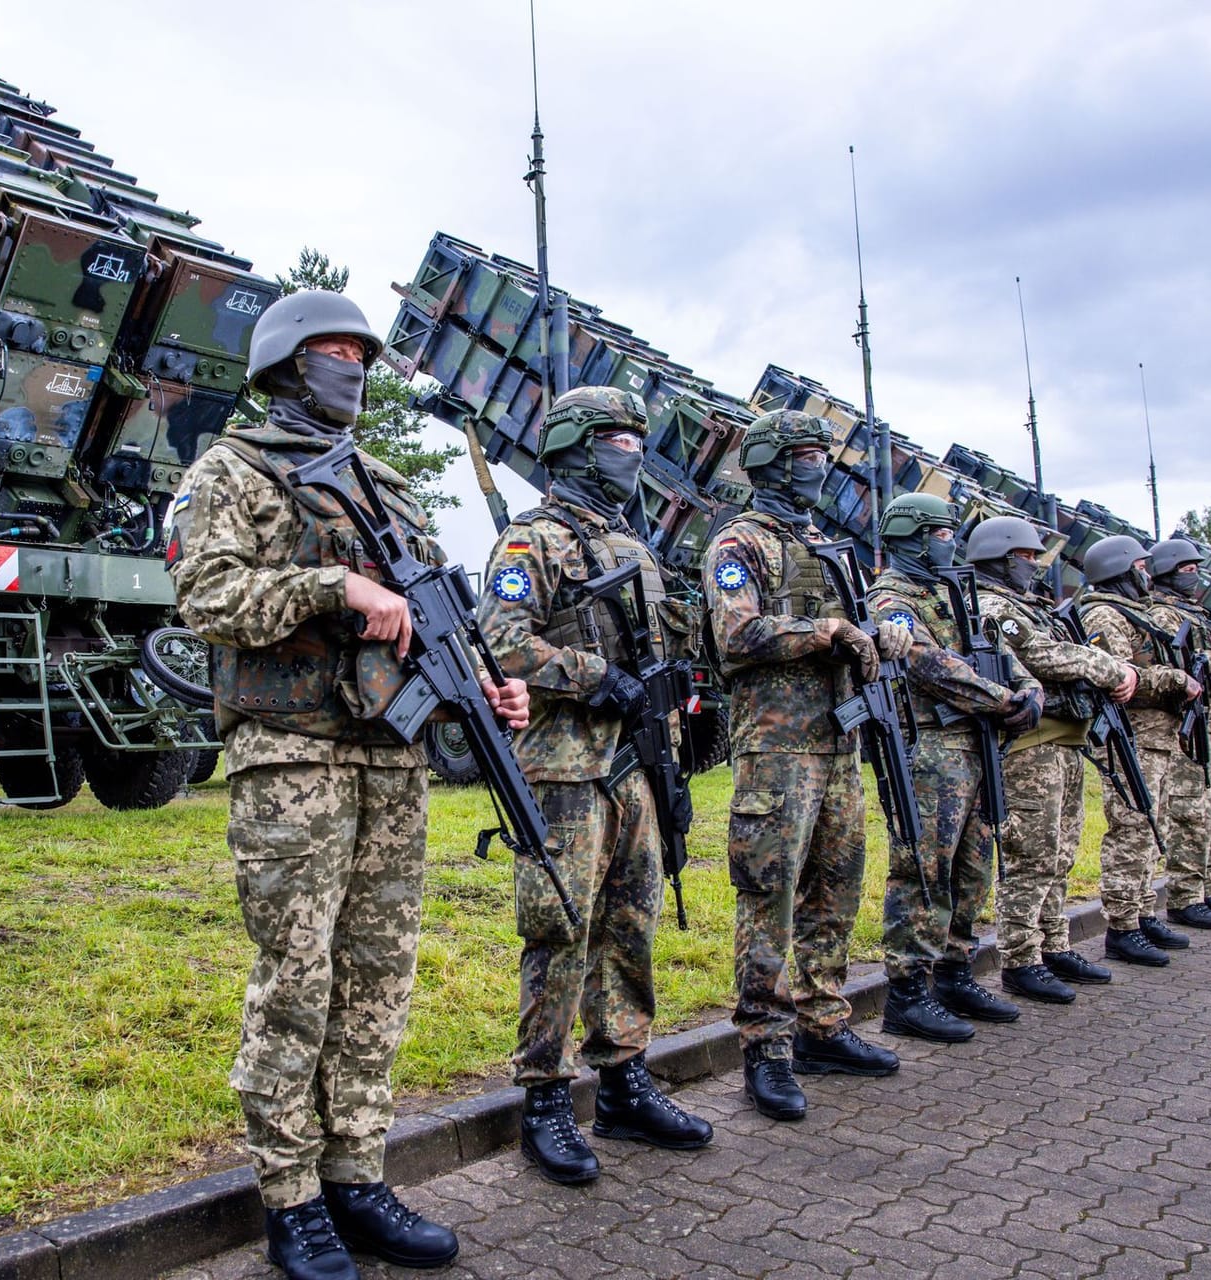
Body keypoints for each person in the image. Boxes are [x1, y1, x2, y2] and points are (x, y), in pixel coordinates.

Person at [170, 289, 528, 1280]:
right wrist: (334, 587)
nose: (354, 367)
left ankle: (357, 1173)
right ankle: (289, 1196)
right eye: (335, 349)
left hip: (389, 758)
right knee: (297, 975)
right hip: (292, 755)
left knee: (378, 971)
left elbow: (433, 607)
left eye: (363, 353)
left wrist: (489, 687)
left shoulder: (384, 481)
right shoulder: (230, 471)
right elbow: (207, 595)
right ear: (288, 363)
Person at [477, 385, 714, 1185]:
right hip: (565, 768)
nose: (632, 452)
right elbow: (503, 644)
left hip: (634, 764)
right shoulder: (530, 542)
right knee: (559, 928)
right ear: (577, 446)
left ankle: (622, 1078)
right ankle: (544, 1096)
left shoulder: (635, 547)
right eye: (616, 437)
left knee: (631, 921)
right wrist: (591, 675)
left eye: (635, 439)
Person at [704, 409, 904, 1122]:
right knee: (771, 894)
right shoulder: (741, 540)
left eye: (822, 454)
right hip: (778, 750)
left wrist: (886, 636)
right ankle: (766, 1045)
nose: (817, 466)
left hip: (841, 743)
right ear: (770, 460)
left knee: (835, 889)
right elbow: (737, 631)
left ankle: (824, 1024)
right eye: (805, 454)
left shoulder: (830, 546)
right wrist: (825, 631)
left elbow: (863, 626)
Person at [868, 494, 1041, 1043]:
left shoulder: (954, 594)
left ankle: (955, 970)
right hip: (931, 751)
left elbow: (1000, 656)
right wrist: (1005, 701)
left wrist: (1029, 690)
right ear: (914, 537)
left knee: (972, 866)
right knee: (924, 871)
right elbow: (929, 667)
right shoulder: (890, 599)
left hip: (976, 744)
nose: (951, 542)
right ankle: (908, 991)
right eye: (942, 533)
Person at [965, 516, 1137, 1004]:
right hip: (1029, 748)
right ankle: (1021, 957)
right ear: (999, 558)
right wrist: (1109, 667)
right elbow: (1039, 655)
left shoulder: (1032, 605)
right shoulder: (995, 606)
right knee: (1032, 854)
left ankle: (1053, 943)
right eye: (1025, 557)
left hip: (1063, 742)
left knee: (1061, 852)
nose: (1034, 566)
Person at [1075, 536, 1201, 965]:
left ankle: (1143, 911)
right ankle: (1122, 925)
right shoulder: (1105, 615)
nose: (1148, 574)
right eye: (1142, 567)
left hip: (1156, 737)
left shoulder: (1135, 613)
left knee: (1152, 826)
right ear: (1121, 571)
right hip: (1131, 736)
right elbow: (1122, 679)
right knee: (1131, 830)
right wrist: (1175, 680)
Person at [1148, 539, 1211, 927]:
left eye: (1195, 568)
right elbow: (1188, 662)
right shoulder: (1164, 615)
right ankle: (1184, 895)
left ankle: (1205, 885)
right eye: (1187, 568)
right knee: (1190, 810)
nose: (1194, 575)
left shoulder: (1198, 614)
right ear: (1168, 571)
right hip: (1191, 725)